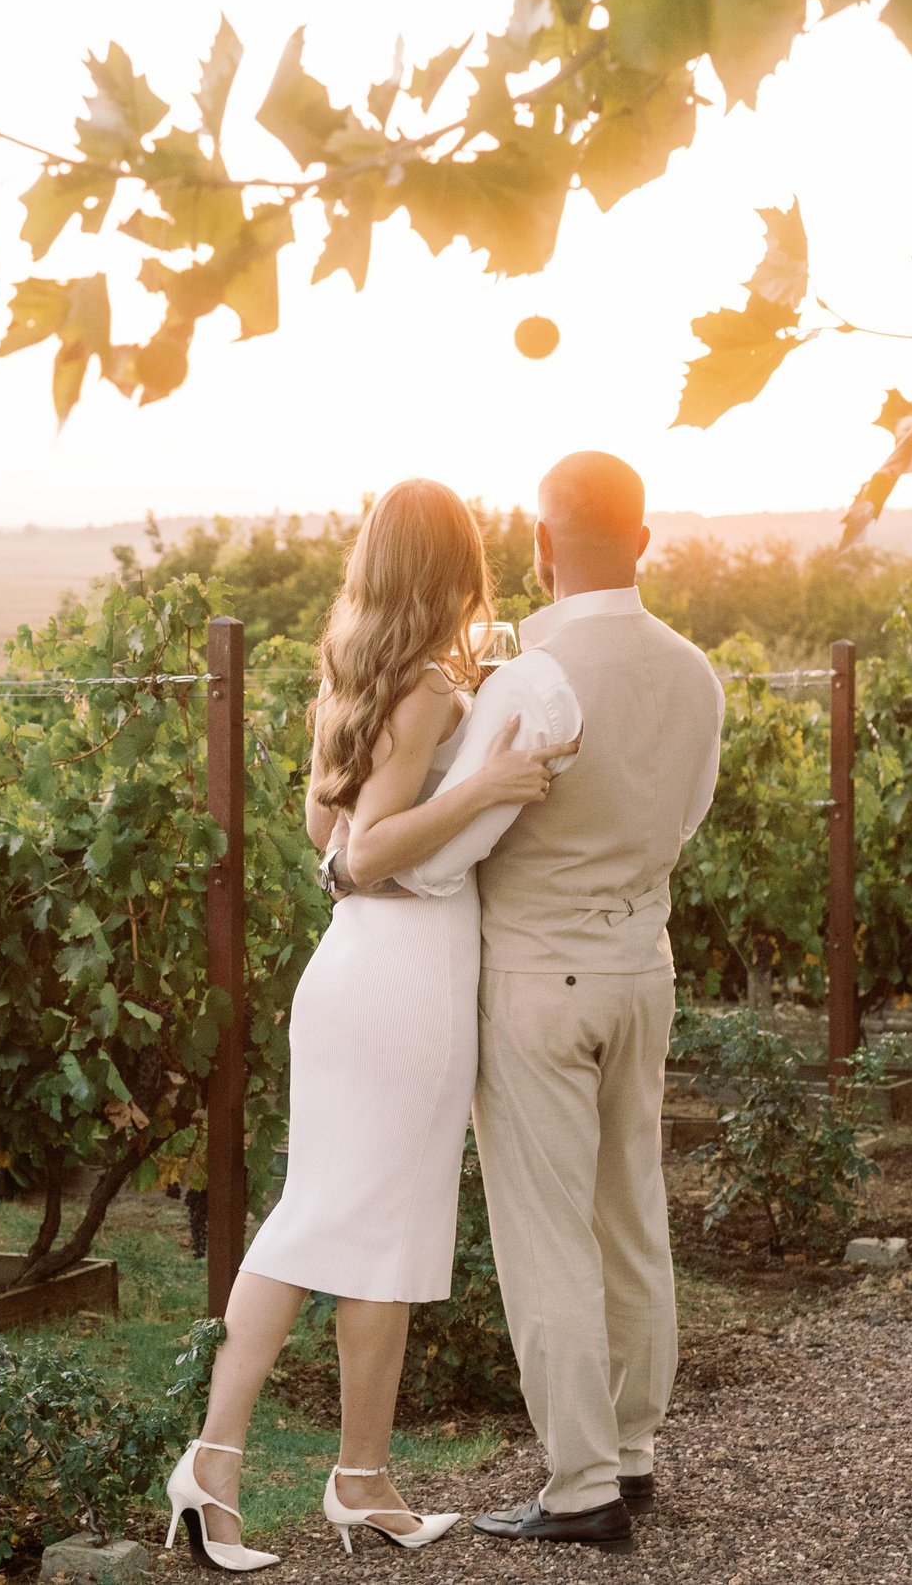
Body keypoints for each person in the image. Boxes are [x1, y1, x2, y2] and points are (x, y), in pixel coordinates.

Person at [162, 478, 577, 1572]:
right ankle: (210, 1469)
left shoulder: (354, 678)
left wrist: (438, 781)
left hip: (354, 978)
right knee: (320, 1226)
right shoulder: (431, 692)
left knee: (384, 1235)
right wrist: (487, 783)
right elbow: (366, 855)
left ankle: (363, 1480)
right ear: (455, 569)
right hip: (402, 976)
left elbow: (321, 826)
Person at [396, 451, 725, 1552]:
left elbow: (455, 845)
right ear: (643, 541)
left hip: (538, 978)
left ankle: (579, 1483)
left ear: (539, 550)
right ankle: (633, 1455)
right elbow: (682, 823)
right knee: (632, 1211)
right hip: (643, 970)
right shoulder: (698, 674)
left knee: (546, 1237)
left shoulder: (521, 683)